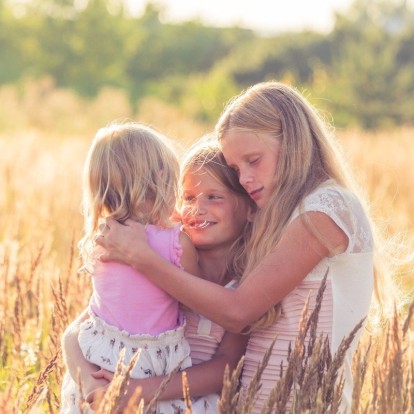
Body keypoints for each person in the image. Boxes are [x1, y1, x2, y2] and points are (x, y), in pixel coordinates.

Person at [95, 81, 393, 413]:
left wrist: (141, 257)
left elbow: (238, 312)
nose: (246, 178)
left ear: (293, 142)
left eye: (253, 160)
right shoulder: (273, 218)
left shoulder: (327, 208)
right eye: (237, 170)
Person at [61, 136, 254, 412]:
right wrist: (93, 386)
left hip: (166, 396)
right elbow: (74, 333)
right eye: (187, 197)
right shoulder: (162, 250)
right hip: (109, 391)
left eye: (214, 197)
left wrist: (133, 391)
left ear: (249, 207)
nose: (196, 208)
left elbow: (227, 365)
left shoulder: (245, 287)